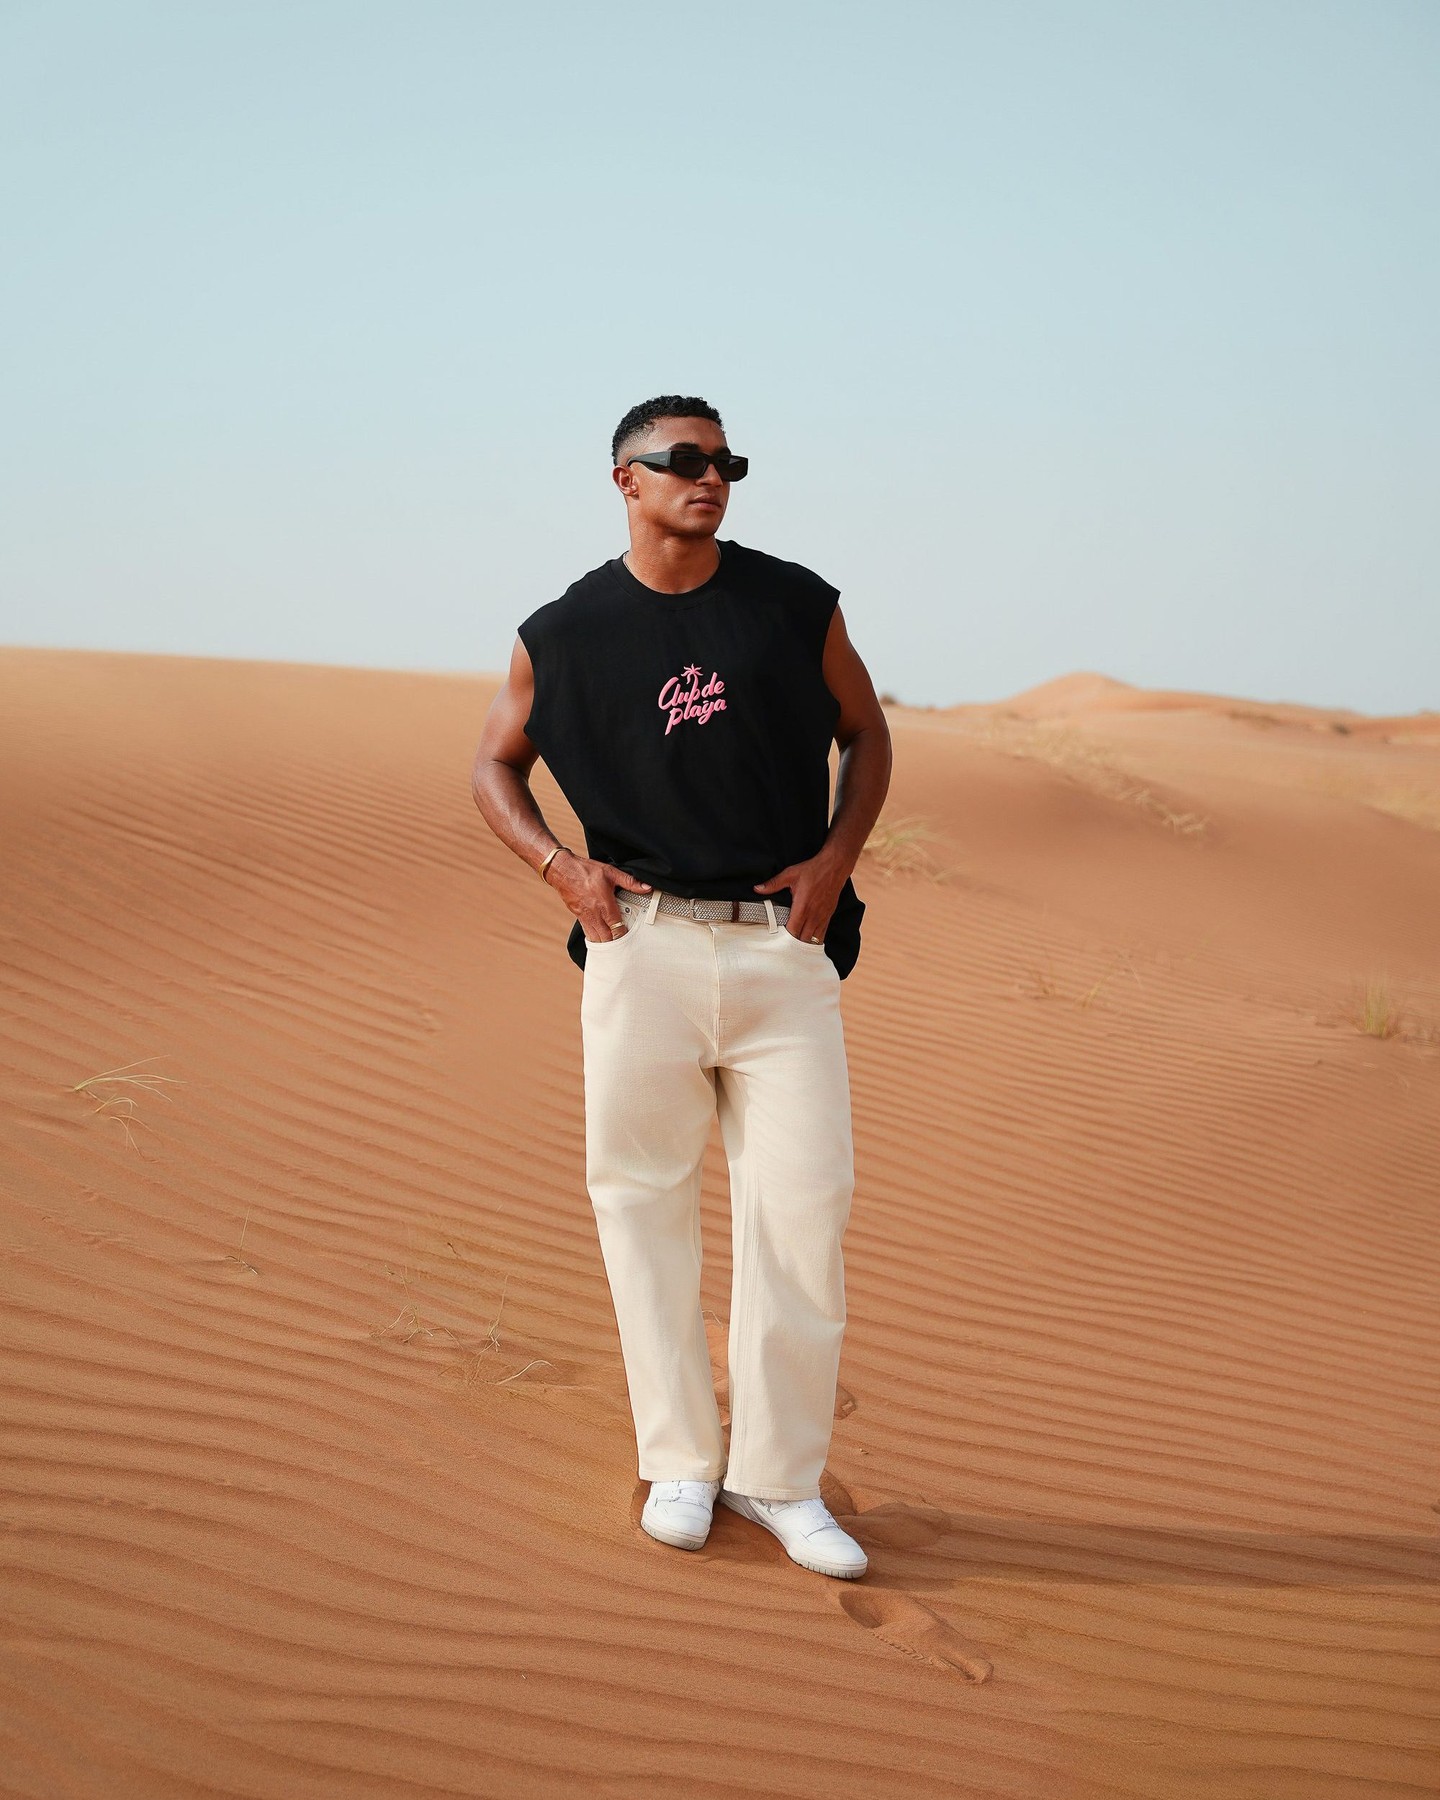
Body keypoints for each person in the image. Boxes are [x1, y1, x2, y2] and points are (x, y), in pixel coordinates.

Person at [471, 395, 892, 1580]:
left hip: (782, 952)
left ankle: (781, 1479)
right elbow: (494, 762)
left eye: (727, 462)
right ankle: (682, 1462)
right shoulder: (562, 631)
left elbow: (867, 735)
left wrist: (836, 861)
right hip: (638, 947)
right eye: (686, 461)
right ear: (626, 480)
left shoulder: (795, 603)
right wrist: (558, 866)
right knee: (642, 1210)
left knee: (803, 1213)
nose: (712, 479)